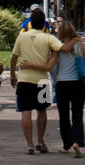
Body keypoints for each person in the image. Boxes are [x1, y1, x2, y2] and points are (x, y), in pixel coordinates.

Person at [10, 8, 75, 154]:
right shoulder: (48, 38)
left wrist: (13, 75)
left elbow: (13, 57)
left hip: (24, 79)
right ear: (44, 23)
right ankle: (40, 141)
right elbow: (64, 49)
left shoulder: (22, 37)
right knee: (42, 110)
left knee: (25, 111)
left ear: (31, 23)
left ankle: (29, 144)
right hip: (42, 80)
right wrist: (75, 39)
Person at [51, 19, 85, 156]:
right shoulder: (79, 44)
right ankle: (77, 141)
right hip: (77, 83)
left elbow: (54, 63)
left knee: (63, 116)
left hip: (62, 84)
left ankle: (66, 144)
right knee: (77, 115)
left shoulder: (58, 45)